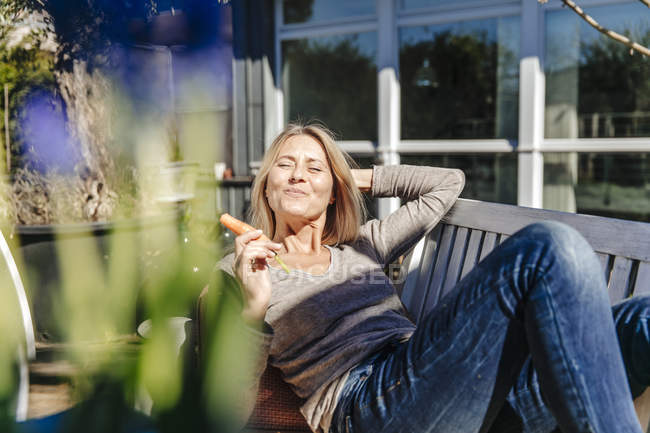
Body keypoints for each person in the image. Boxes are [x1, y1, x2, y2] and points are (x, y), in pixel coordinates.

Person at [215, 122, 650, 433]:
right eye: (285, 165)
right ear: (266, 186)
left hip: (449, 390)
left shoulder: (363, 244)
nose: (297, 175)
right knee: (549, 248)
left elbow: (446, 184)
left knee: (641, 323)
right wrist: (252, 312)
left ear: (334, 194)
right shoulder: (238, 269)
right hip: (367, 404)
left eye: (314, 168)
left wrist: (352, 178)